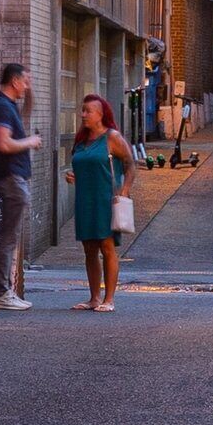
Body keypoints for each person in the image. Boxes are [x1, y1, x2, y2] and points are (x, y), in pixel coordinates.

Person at [67, 92, 138, 311]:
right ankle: (94, 298)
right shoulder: (81, 140)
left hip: (105, 199)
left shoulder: (111, 137)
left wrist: (125, 190)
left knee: (107, 247)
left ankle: (109, 299)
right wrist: (73, 176)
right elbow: (83, 165)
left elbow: (130, 164)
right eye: (83, 110)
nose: (83, 114)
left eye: (88, 111)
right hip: (84, 200)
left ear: (100, 114)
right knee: (89, 249)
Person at [0, 63, 41, 311]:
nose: (27, 86)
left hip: (13, 177)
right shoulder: (2, 107)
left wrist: (30, 91)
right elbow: (4, 144)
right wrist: (30, 141)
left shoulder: (7, 104)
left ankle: (4, 291)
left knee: (10, 236)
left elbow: (29, 107)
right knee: (8, 237)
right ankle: (2, 292)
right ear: (15, 81)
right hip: (11, 177)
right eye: (25, 81)